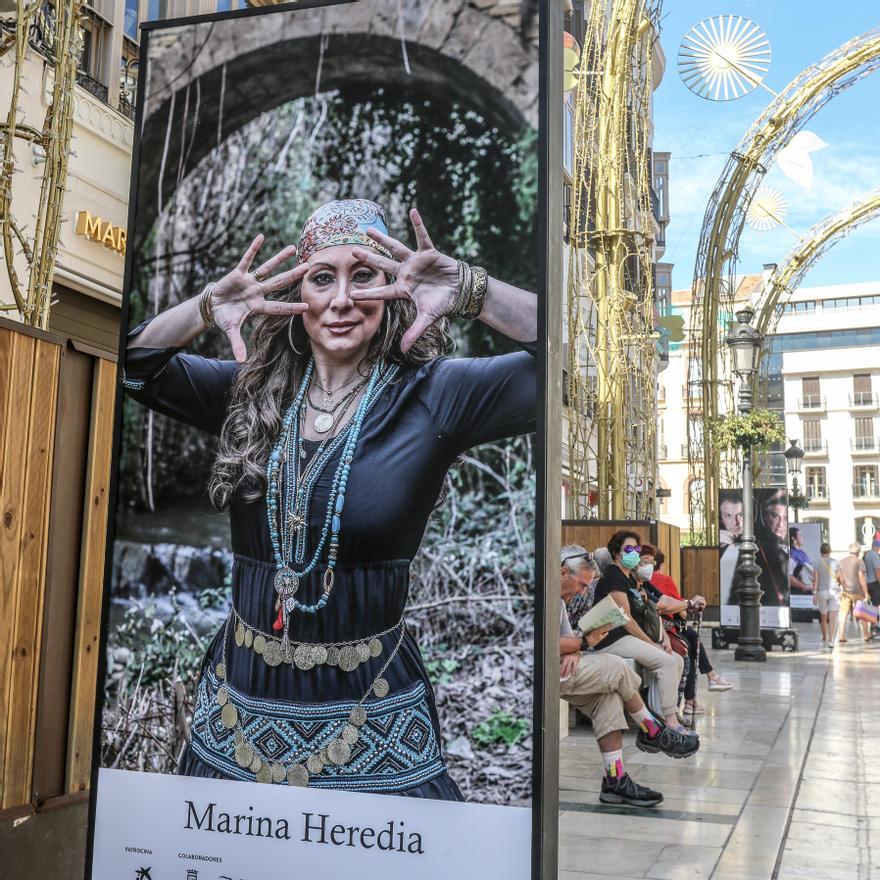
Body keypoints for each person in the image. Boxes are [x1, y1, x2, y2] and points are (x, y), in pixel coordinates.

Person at [122, 199, 537, 799]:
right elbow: (133, 363)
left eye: (362, 275)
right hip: (240, 716)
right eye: (323, 278)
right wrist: (208, 307)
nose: (342, 299)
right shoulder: (250, 392)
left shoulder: (436, 396)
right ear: (298, 299)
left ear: (394, 289)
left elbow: (568, 357)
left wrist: (469, 288)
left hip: (373, 724)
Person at [558, 547, 698, 808]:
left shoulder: (559, 601)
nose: (582, 591)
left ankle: (615, 779)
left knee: (607, 697)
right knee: (614, 666)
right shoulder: (538, 597)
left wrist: (576, 648)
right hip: (537, 670)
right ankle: (652, 729)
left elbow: (568, 640)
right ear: (563, 572)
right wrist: (582, 644)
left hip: (560, 668)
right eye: (581, 585)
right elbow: (540, 643)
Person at [591, 530, 701, 732]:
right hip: (612, 638)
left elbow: (654, 607)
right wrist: (651, 645)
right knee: (666, 661)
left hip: (628, 637)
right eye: (628, 549)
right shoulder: (613, 576)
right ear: (616, 553)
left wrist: (663, 637)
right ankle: (670, 720)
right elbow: (626, 620)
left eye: (636, 549)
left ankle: (661, 712)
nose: (634, 552)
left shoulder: (630, 578)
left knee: (676, 659)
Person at [640, 546, 732, 720]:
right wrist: (687, 604)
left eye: (650, 563)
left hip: (658, 627)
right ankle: (690, 700)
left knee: (691, 637)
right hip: (661, 628)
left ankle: (705, 684)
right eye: (646, 562)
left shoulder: (639, 582)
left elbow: (661, 602)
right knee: (688, 646)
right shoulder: (663, 579)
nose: (649, 567)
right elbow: (677, 610)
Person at [837, 542, 871, 644]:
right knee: (861, 614)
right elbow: (861, 577)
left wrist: (842, 586)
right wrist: (866, 592)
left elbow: (839, 576)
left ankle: (841, 635)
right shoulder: (859, 562)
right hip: (857, 591)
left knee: (843, 613)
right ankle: (865, 634)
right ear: (859, 551)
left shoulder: (841, 561)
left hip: (846, 592)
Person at [814, 543, 841, 649]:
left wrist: (814, 594)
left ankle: (824, 637)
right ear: (830, 551)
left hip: (821, 591)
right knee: (833, 617)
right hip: (834, 591)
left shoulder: (816, 562)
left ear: (821, 551)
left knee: (823, 615)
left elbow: (816, 580)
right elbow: (840, 578)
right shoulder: (836, 562)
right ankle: (831, 640)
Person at [789, 527, 818, 598]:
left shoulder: (802, 553)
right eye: (800, 535)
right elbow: (788, 576)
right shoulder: (792, 554)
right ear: (793, 538)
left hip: (808, 593)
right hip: (798, 595)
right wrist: (804, 587)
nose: (803, 538)